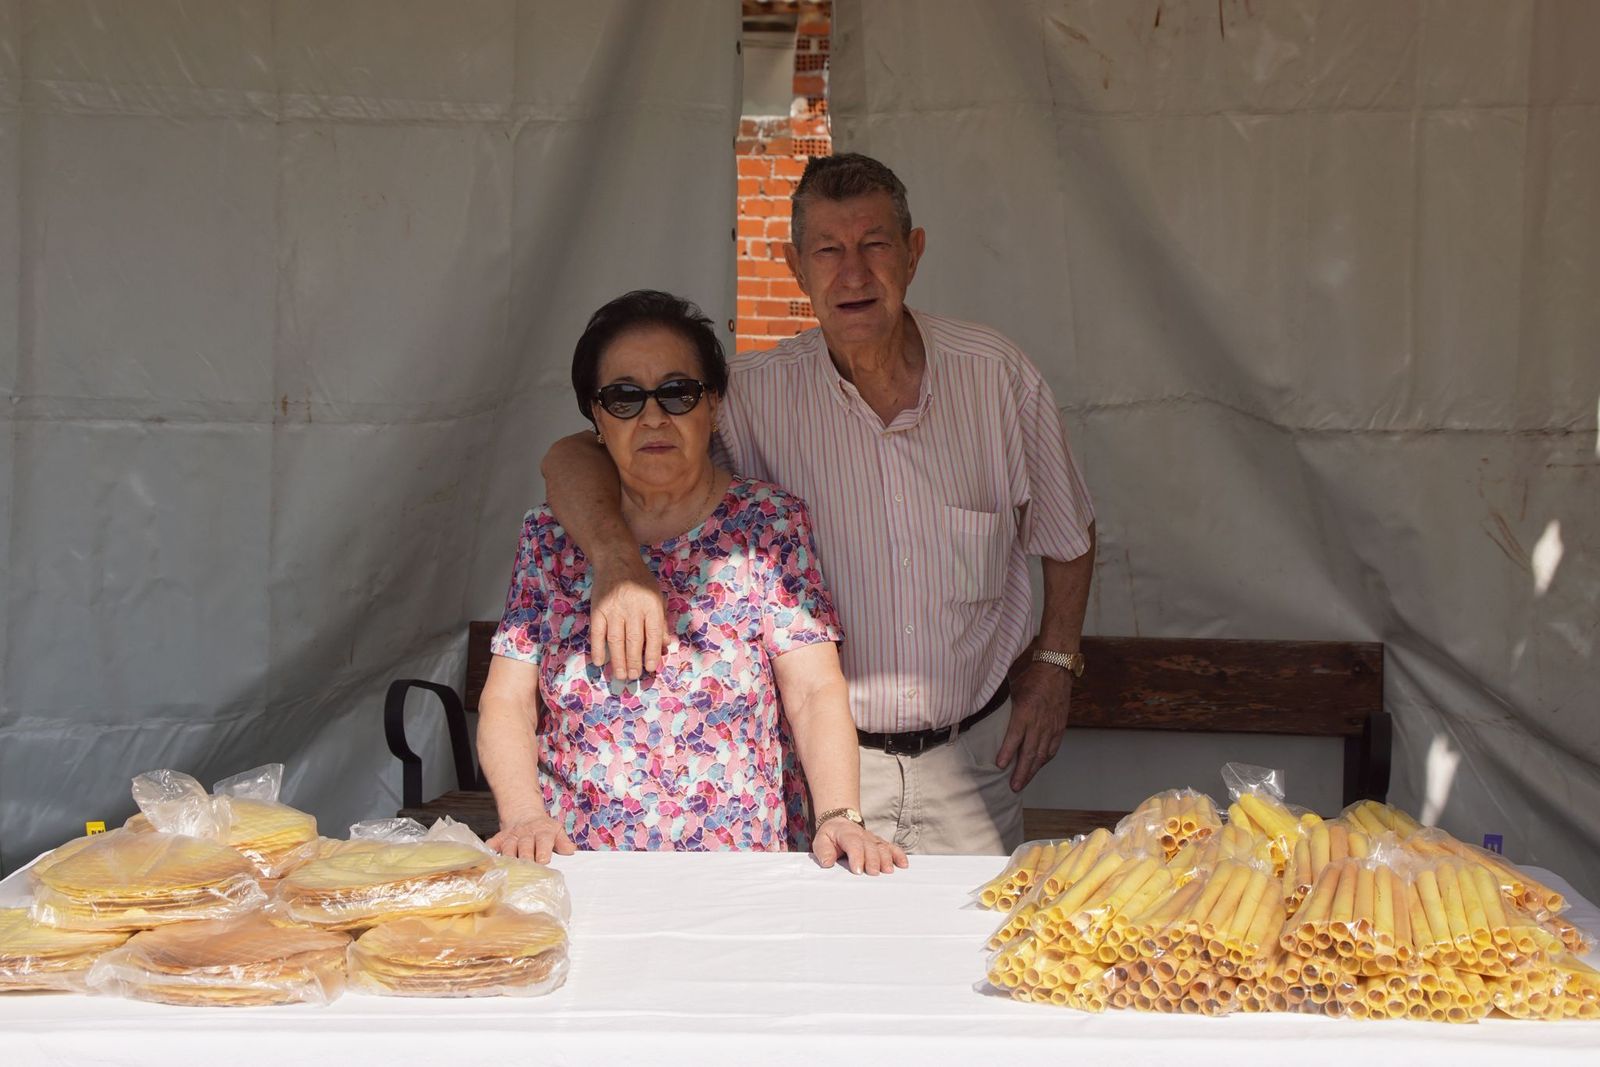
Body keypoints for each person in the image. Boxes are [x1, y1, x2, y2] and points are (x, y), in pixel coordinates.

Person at [543, 155, 1096, 855]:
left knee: (967, 955)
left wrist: (1055, 663)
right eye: (828, 250)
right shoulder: (749, 396)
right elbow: (575, 455)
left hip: (974, 763)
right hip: (817, 767)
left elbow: (1067, 530)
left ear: (914, 252)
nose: (854, 273)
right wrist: (618, 561)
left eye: (875, 244)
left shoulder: (998, 377)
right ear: (795, 267)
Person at [478, 289, 907, 875]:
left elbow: (812, 691)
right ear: (597, 419)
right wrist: (524, 815)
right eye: (624, 398)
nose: (653, 416)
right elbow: (507, 700)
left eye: (677, 392)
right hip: (582, 870)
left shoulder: (767, 524)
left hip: (741, 875)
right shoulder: (550, 539)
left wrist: (839, 813)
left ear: (713, 405)